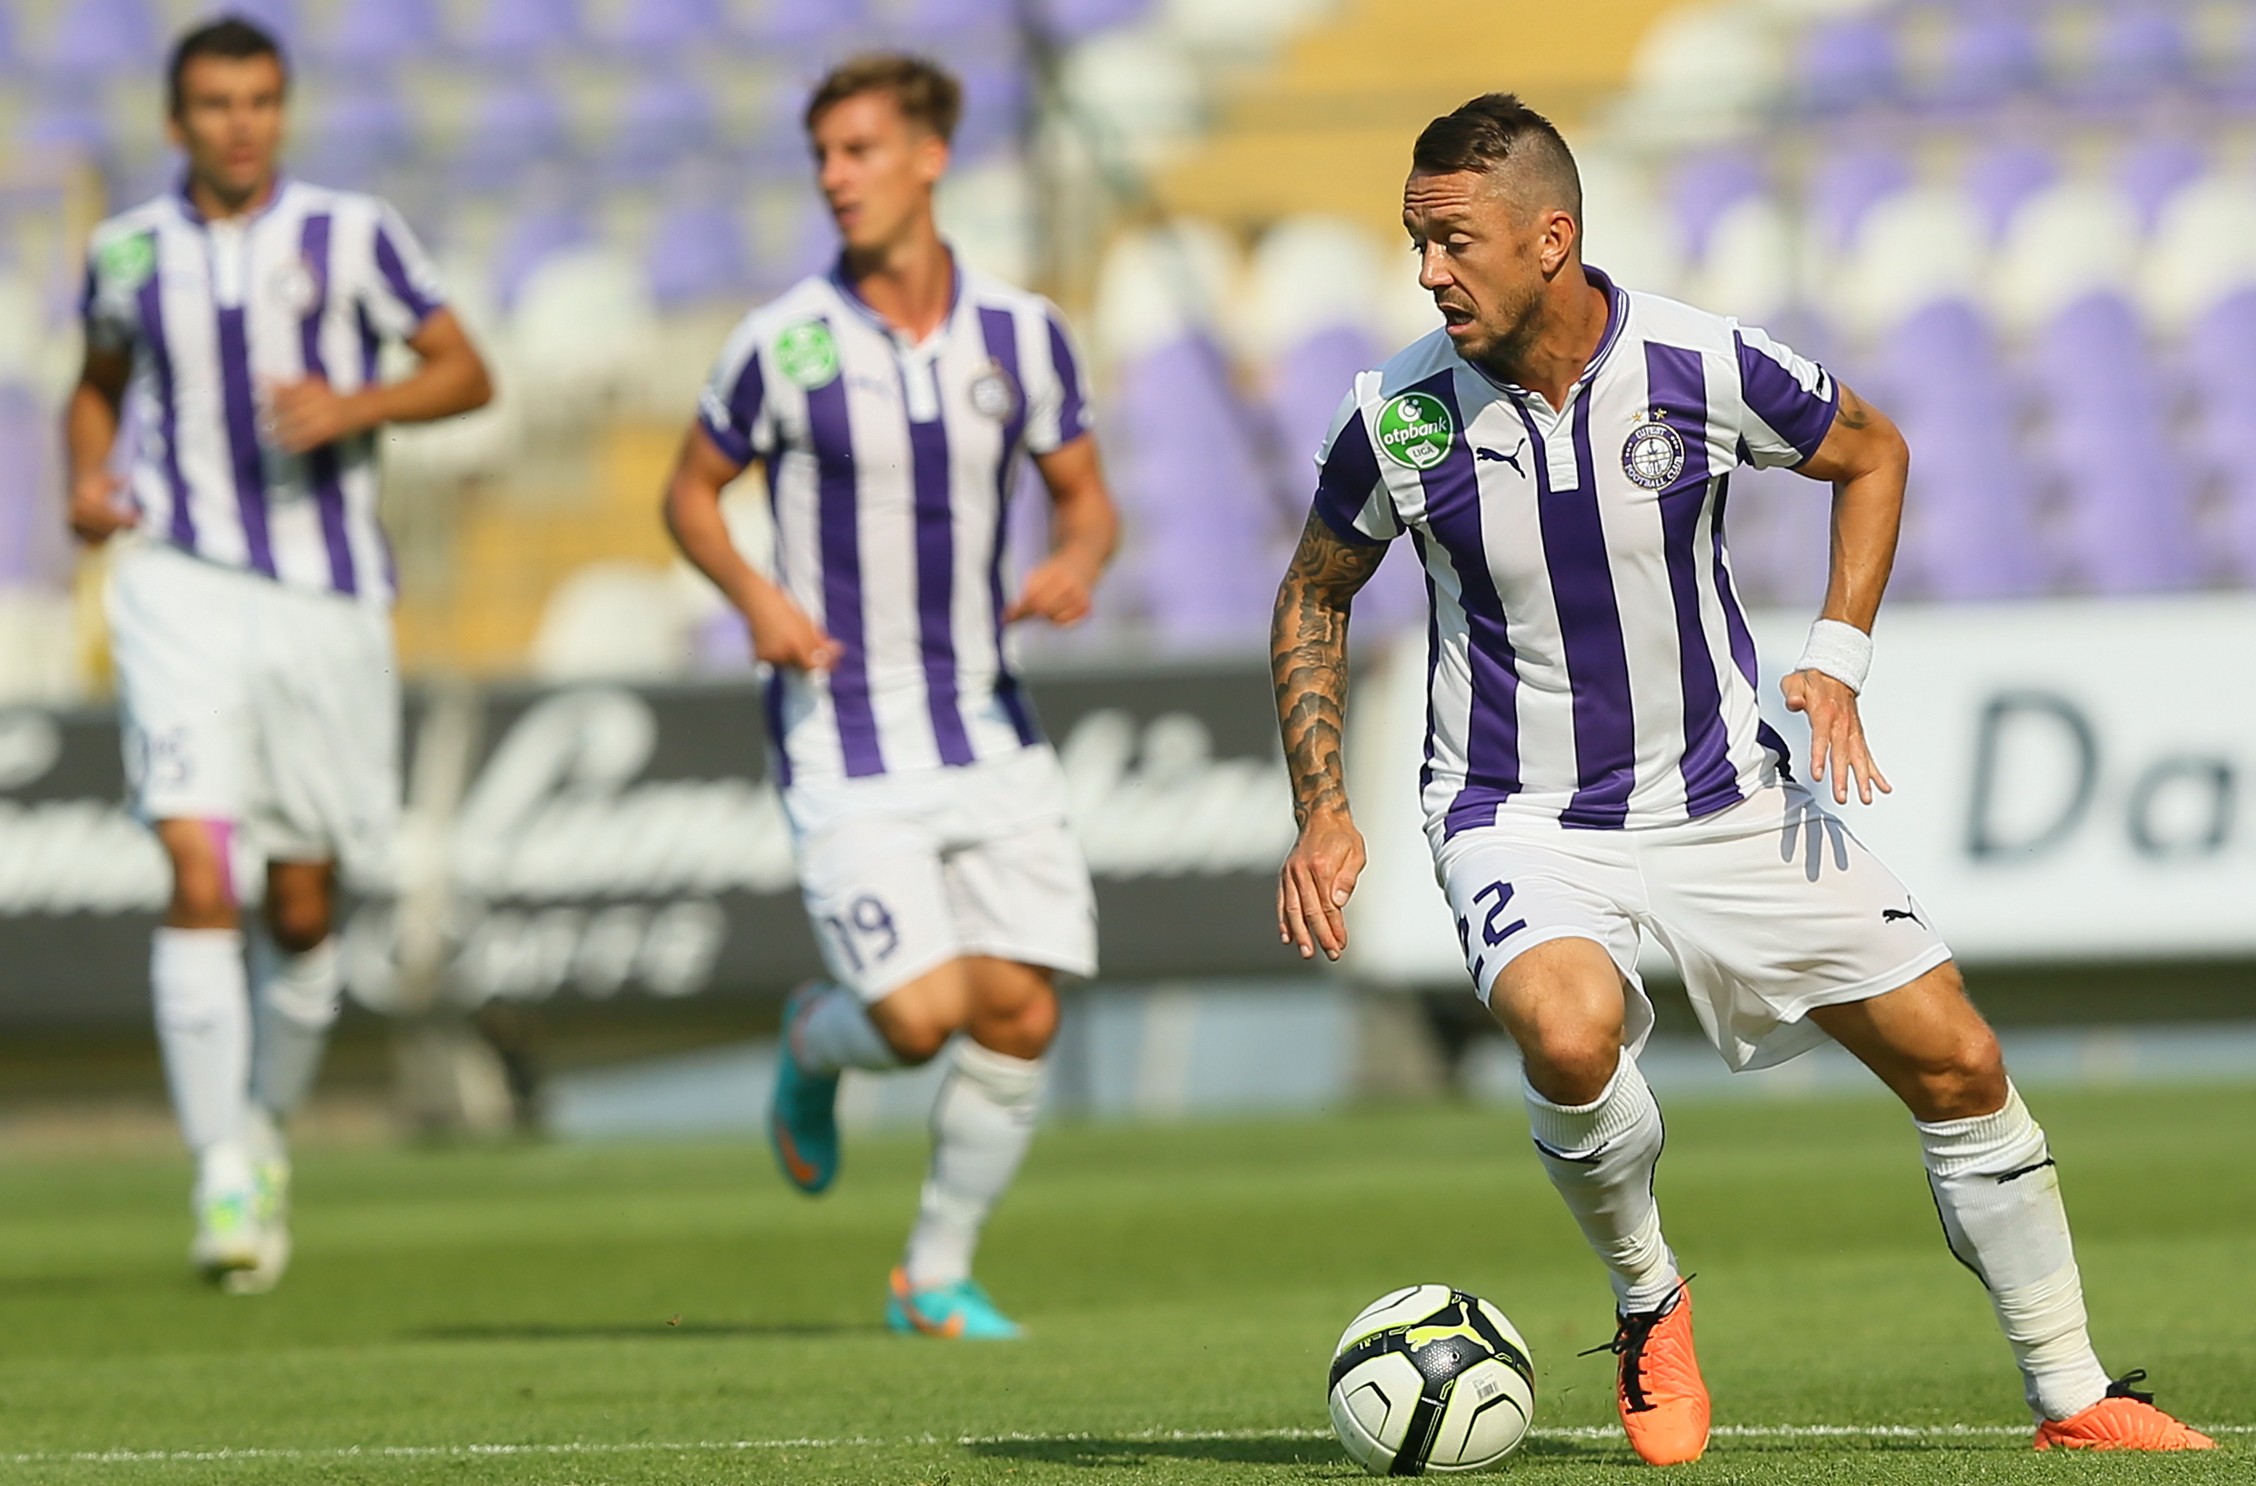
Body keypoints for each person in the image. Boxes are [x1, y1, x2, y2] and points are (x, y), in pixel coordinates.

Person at [1270, 94, 2212, 1463]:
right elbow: (1313, 593)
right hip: (1516, 814)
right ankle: (1651, 1302)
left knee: (1959, 1060)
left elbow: (1872, 451)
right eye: (1416, 244)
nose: (1428, 273)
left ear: (1552, 237)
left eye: (1453, 241)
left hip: (1728, 797)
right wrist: (1321, 807)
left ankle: (2072, 1395)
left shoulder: (1698, 363)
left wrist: (1836, 654)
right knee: (1571, 1028)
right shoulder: (1398, 417)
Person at [664, 54, 1118, 1340]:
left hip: (984, 717)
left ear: (929, 158)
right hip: (843, 733)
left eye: (858, 151)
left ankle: (932, 1271)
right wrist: (755, 599)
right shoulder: (782, 342)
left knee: (1022, 1007)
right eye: (822, 156)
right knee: (919, 1019)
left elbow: (1087, 499)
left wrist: (1073, 565)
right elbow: (687, 492)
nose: (834, 178)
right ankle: (817, 1040)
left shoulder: (1020, 332)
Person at [67, 16, 492, 1293]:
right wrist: (85, 480)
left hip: (327, 604)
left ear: (284, 110)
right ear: (176, 119)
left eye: (258, 100)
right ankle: (218, 1168)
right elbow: (93, 380)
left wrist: (356, 405)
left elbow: (468, 370)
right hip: (179, 586)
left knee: (301, 903)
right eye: (213, 102)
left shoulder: (352, 235)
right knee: (197, 857)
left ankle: (264, 1130)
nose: (237, 122)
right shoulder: (127, 248)